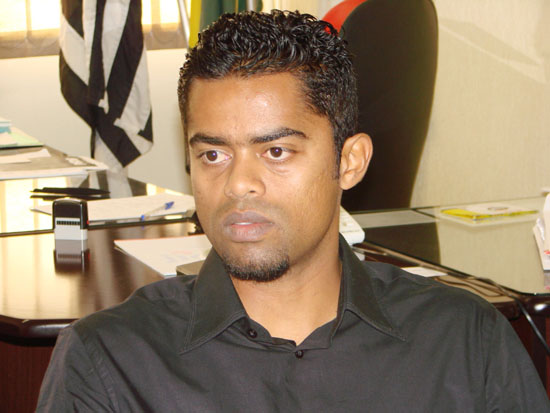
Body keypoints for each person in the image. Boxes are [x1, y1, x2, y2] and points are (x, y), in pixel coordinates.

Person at [37, 10, 549, 412]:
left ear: (349, 162)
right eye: (212, 155)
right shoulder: (109, 360)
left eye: (276, 151)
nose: (238, 183)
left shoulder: (464, 340)